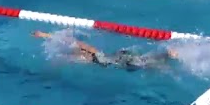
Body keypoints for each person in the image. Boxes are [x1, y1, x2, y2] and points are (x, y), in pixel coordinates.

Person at [31, 31, 179, 71]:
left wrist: (45, 35)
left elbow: (79, 45)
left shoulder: (83, 52)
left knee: (141, 63)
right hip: (115, 58)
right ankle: (165, 57)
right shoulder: (78, 53)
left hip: (116, 60)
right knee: (143, 63)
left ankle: (166, 55)